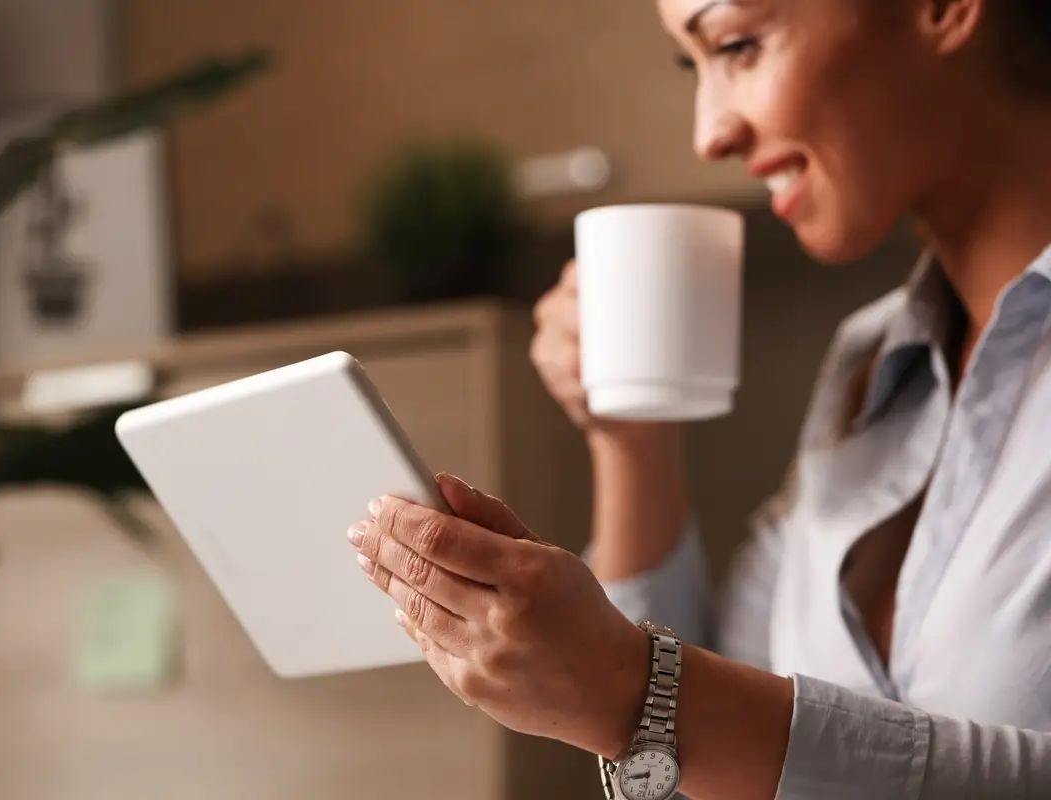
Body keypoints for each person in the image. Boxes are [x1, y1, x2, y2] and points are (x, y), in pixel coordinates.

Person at [347, 0, 1051, 797]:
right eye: (693, 66)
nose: (710, 132)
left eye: (738, 45)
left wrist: (637, 693)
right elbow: (709, 749)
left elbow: (696, 716)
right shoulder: (868, 368)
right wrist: (630, 437)